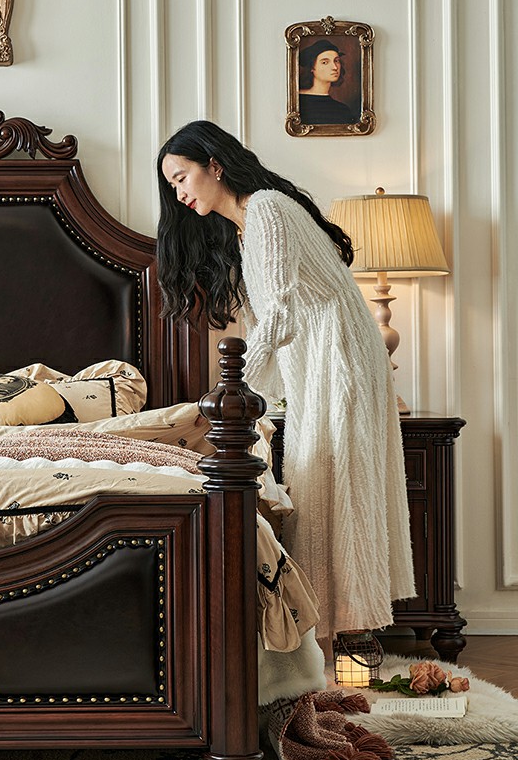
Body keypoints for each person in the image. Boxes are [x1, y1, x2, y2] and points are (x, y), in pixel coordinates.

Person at [157, 121, 415, 644]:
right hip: (314, 357)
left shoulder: (267, 209)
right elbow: (274, 320)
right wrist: (253, 396)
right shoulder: (243, 226)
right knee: (318, 478)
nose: (179, 194)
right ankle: (329, 639)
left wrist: (230, 391)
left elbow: (279, 314)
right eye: (172, 186)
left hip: (339, 352)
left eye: (182, 178)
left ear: (214, 165)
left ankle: (347, 636)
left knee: (338, 479)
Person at [298, 40, 358, 125]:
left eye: (336, 61)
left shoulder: (342, 110)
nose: (335, 67)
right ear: (311, 67)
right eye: (325, 62)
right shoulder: (298, 103)